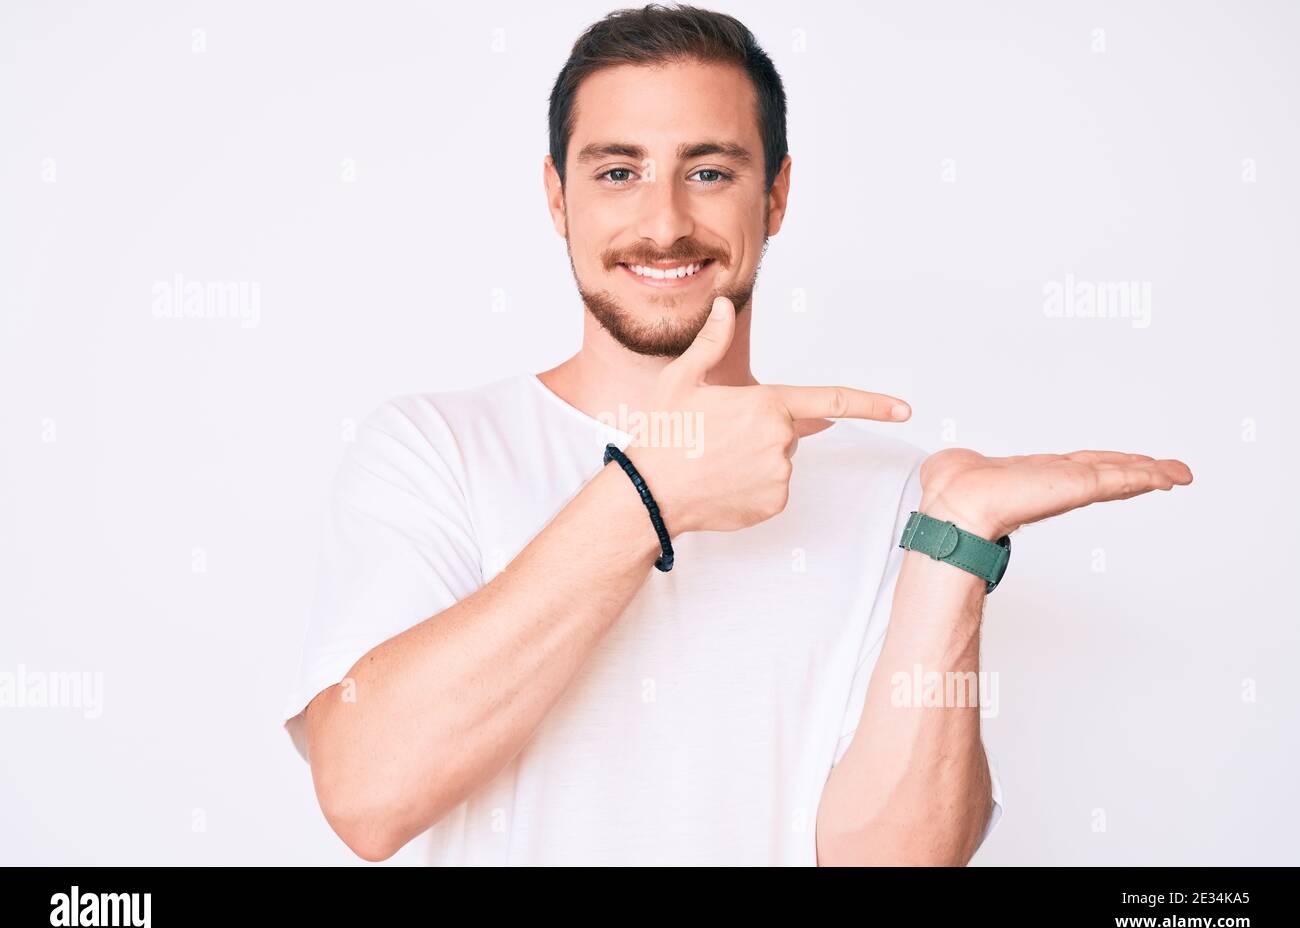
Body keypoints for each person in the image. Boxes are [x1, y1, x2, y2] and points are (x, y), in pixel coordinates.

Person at [280, 4, 1192, 865]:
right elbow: (366, 795)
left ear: (778, 195)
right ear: (558, 197)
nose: (666, 221)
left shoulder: (896, 497)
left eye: (709, 171)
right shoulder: (433, 448)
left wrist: (954, 543)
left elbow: (892, 859)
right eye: (617, 171)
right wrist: (647, 493)